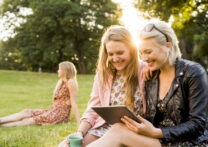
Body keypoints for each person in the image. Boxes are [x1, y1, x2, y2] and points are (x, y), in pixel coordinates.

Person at [87, 20, 208, 147]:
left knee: (119, 134)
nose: (144, 59)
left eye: (148, 52)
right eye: (141, 53)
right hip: (159, 140)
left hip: (189, 142)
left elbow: (197, 125)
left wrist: (157, 132)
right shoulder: (151, 75)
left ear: (168, 45)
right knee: (117, 128)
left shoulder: (193, 72)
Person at [58, 25, 146, 147]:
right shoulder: (103, 75)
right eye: (111, 54)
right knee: (65, 145)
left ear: (131, 49)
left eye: (120, 53)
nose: (115, 59)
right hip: (104, 130)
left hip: (133, 133)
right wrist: (80, 132)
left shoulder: (145, 71)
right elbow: (93, 109)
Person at [0, 61, 80, 127]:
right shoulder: (61, 82)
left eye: (59, 69)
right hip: (52, 110)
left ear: (65, 70)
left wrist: (79, 122)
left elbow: (74, 103)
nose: (58, 71)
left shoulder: (71, 82)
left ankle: (2, 126)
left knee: (28, 120)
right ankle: (1, 120)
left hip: (60, 114)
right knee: (26, 112)